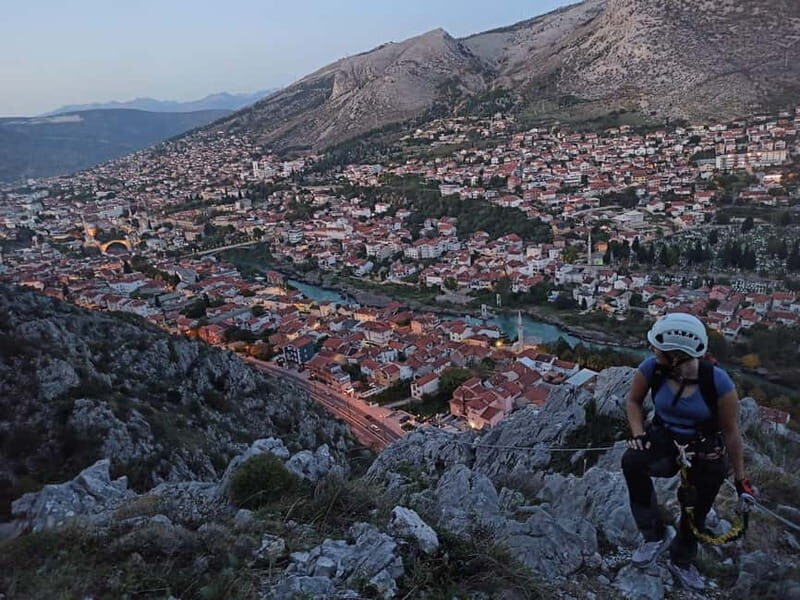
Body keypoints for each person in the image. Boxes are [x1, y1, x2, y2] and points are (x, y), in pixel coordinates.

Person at [621, 312, 755, 591]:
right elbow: (633, 402)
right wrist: (639, 434)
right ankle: (654, 535)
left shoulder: (718, 383)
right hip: (663, 438)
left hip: (703, 449)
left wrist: (741, 480)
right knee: (633, 462)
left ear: (677, 355)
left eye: (657, 347)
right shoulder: (652, 369)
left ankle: (681, 559)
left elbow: (731, 431)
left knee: (698, 507)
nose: (651, 350)